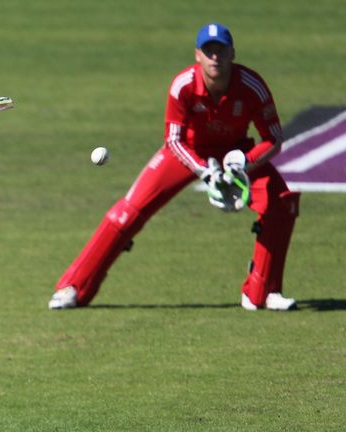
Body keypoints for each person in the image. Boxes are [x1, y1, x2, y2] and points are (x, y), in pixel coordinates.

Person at [48, 23, 299, 311]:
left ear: (232, 54)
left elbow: (274, 138)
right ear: (198, 55)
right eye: (209, 51)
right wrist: (206, 171)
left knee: (281, 201)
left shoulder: (252, 86)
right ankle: (74, 287)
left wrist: (244, 161)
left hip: (236, 153)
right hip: (188, 152)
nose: (214, 57)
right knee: (127, 212)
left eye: (221, 50)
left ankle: (263, 292)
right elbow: (174, 141)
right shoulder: (183, 85)